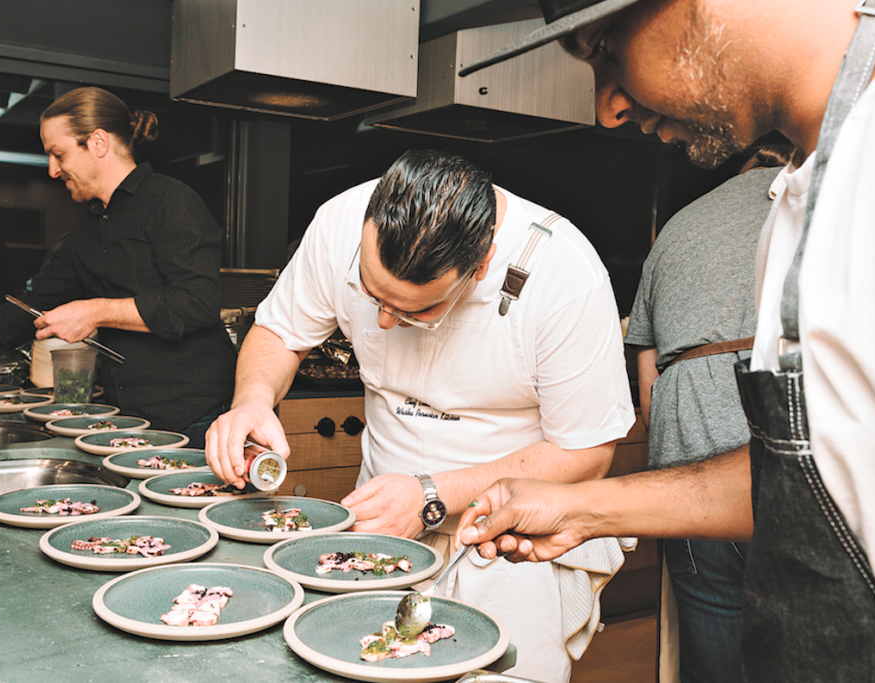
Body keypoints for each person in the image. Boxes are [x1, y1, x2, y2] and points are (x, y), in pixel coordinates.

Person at [457, 1, 875, 682]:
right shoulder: (801, 194)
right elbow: (822, 470)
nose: (608, 107)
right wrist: (582, 509)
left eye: (605, 48)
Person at [206, 149, 636, 682]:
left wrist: (431, 495)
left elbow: (586, 453)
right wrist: (252, 399)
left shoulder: (564, 272)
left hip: (510, 543)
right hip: (380, 525)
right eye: (371, 294)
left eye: (417, 309)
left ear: (482, 266)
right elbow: (279, 332)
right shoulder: (341, 222)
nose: (385, 322)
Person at [0, 87, 236, 447]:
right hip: (131, 418)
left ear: (98, 143)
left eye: (59, 154)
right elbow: (27, 310)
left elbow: (196, 301)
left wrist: (95, 312)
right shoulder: (87, 229)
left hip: (202, 417)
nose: (53, 170)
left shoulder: (170, 200)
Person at [627, 144, 790, 683]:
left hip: (689, 480)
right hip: (794, 477)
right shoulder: (828, 201)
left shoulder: (677, 227)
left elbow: (648, 390)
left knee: (714, 660)